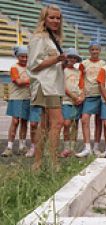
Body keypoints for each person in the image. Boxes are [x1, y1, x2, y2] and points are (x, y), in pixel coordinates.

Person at [27, 4, 66, 170]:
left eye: (58, 18)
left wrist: (63, 63)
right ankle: (54, 162)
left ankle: (38, 163)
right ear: (44, 19)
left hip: (54, 85)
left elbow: (52, 65)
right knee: (58, 123)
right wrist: (57, 59)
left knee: (45, 126)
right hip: (45, 85)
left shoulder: (53, 39)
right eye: (52, 17)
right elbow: (33, 65)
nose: (56, 20)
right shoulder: (39, 38)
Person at [75, 41, 106, 157]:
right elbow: (81, 79)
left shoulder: (103, 64)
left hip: (100, 95)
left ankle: (96, 147)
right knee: (84, 119)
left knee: (99, 122)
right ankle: (87, 147)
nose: (94, 52)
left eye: (97, 49)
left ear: (100, 51)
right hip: (88, 96)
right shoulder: (84, 63)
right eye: (92, 49)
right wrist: (82, 93)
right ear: (89, 51)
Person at [1, 46, 30, 157]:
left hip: (27, 97)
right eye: (22, 56)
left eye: (26, 56)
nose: (24, 59)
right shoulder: (14, 67)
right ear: (17, 57)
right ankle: (9, 147)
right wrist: (32, 79)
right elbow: (18, 82)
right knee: (15, 121)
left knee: (24, 122)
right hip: (16, 97)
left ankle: (22, 146)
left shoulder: (30, 68)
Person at [60, 48, 84, 158]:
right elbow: (63, 87)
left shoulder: (78, 72)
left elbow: (82, 85)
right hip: (66, 100)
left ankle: (72, 147)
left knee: (75, 124)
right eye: (70, 57)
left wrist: (81, 97)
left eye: (74, 58)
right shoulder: (62, 71)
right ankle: (66, 147)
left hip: (77, 101)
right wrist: (73, 96)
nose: (72, 59)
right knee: (66, 123)